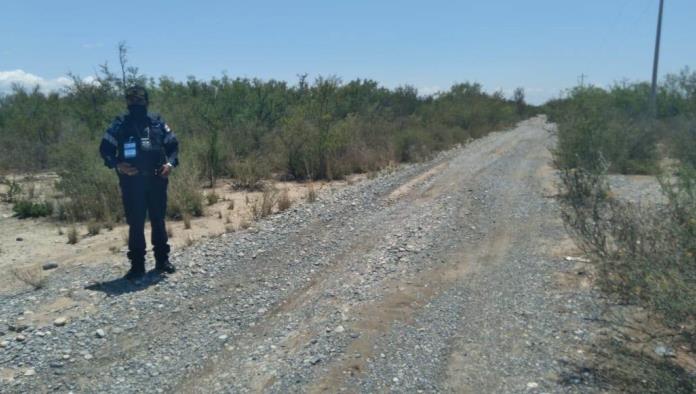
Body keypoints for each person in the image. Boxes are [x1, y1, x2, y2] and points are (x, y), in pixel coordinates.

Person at [99, 85, 179, 280]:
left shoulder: (158, 123)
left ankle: (162, 260)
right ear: (127, 102)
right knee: (136, 223)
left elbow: (173, 146)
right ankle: (137, 266)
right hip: (132, 182)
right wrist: (118, 165)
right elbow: (105, 150)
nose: (136, 103)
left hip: (157, 179)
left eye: (140, 100)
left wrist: (170, 164)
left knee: (158, 220)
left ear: (147, 101)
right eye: (132, 100)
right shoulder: (119, 125)